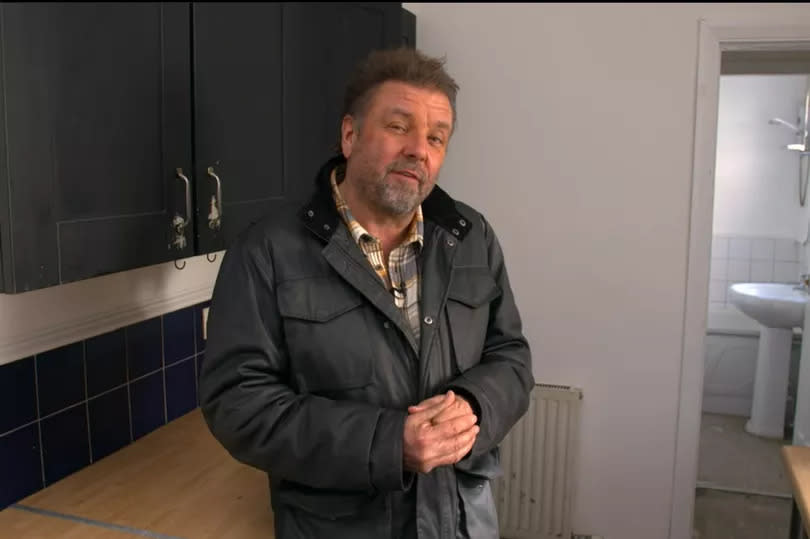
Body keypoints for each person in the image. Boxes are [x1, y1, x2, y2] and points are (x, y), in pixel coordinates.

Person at [199, 47, 534, 539]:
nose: (420, 149)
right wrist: (386, 443)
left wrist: (475, 404)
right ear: (350, 135)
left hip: (461, 522)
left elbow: (512, 357)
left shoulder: (470, 236)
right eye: (399, 127)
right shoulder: (268, 251)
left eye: (436, 137)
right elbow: (238, 403)